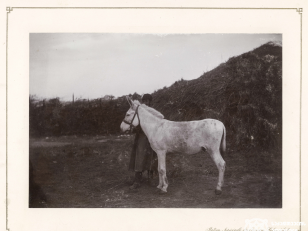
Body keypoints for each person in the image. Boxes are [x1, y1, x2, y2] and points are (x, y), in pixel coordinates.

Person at [128, 94, 157, 189]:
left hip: (151, 136)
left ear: (150, 102)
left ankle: (151, 178)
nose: (146, 102)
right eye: (145, 101)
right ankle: (137, 180)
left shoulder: (152, 112)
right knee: (139, 157)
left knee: (152, 156)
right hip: (141, 136)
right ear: (142, 101)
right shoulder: (139, 110)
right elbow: (134, 122)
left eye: (148, 101)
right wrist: (135, 129)